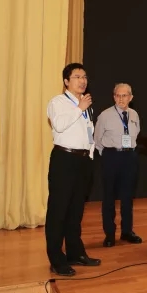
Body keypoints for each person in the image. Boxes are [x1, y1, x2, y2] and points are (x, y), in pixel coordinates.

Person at [45, 63, 101, 276]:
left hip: (83, 161)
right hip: (64, 160)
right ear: (66, 81)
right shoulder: (58, 102)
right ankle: (56, 259)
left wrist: (91, 155)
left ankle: (75, 253)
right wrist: (79, 108)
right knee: (58, 211)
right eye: (77, 76)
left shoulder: (86, 105)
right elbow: (59, 125)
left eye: (84, 76)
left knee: (76, 211)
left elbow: (88, 133)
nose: (83, 80)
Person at [94, 83, 143, 247]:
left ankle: (127, 231)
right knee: (109, 196)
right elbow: (97, 139)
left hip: (130, 157)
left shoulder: (134, 114)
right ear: (114, 97)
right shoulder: (105, 115)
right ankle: (109, 234)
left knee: (127, 197)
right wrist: (108, 154)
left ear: (131, 97)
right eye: (118, 95)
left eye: (124, 95)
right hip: (111, 156)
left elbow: (136, 134)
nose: (121, 99)